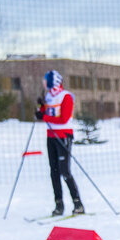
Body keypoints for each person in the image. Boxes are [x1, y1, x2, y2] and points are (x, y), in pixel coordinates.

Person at [36, 70, 84, 216]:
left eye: (46, 80)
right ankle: (59, 205)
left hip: (63, 136)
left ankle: (78, 204)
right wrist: (41, 108)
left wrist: (44, 116)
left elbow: (63, 119)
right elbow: (49, 113)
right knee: (54, 171)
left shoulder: (66, 96)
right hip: (51, 136)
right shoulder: (49, 96)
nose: (44, 83)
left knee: (64, 171)